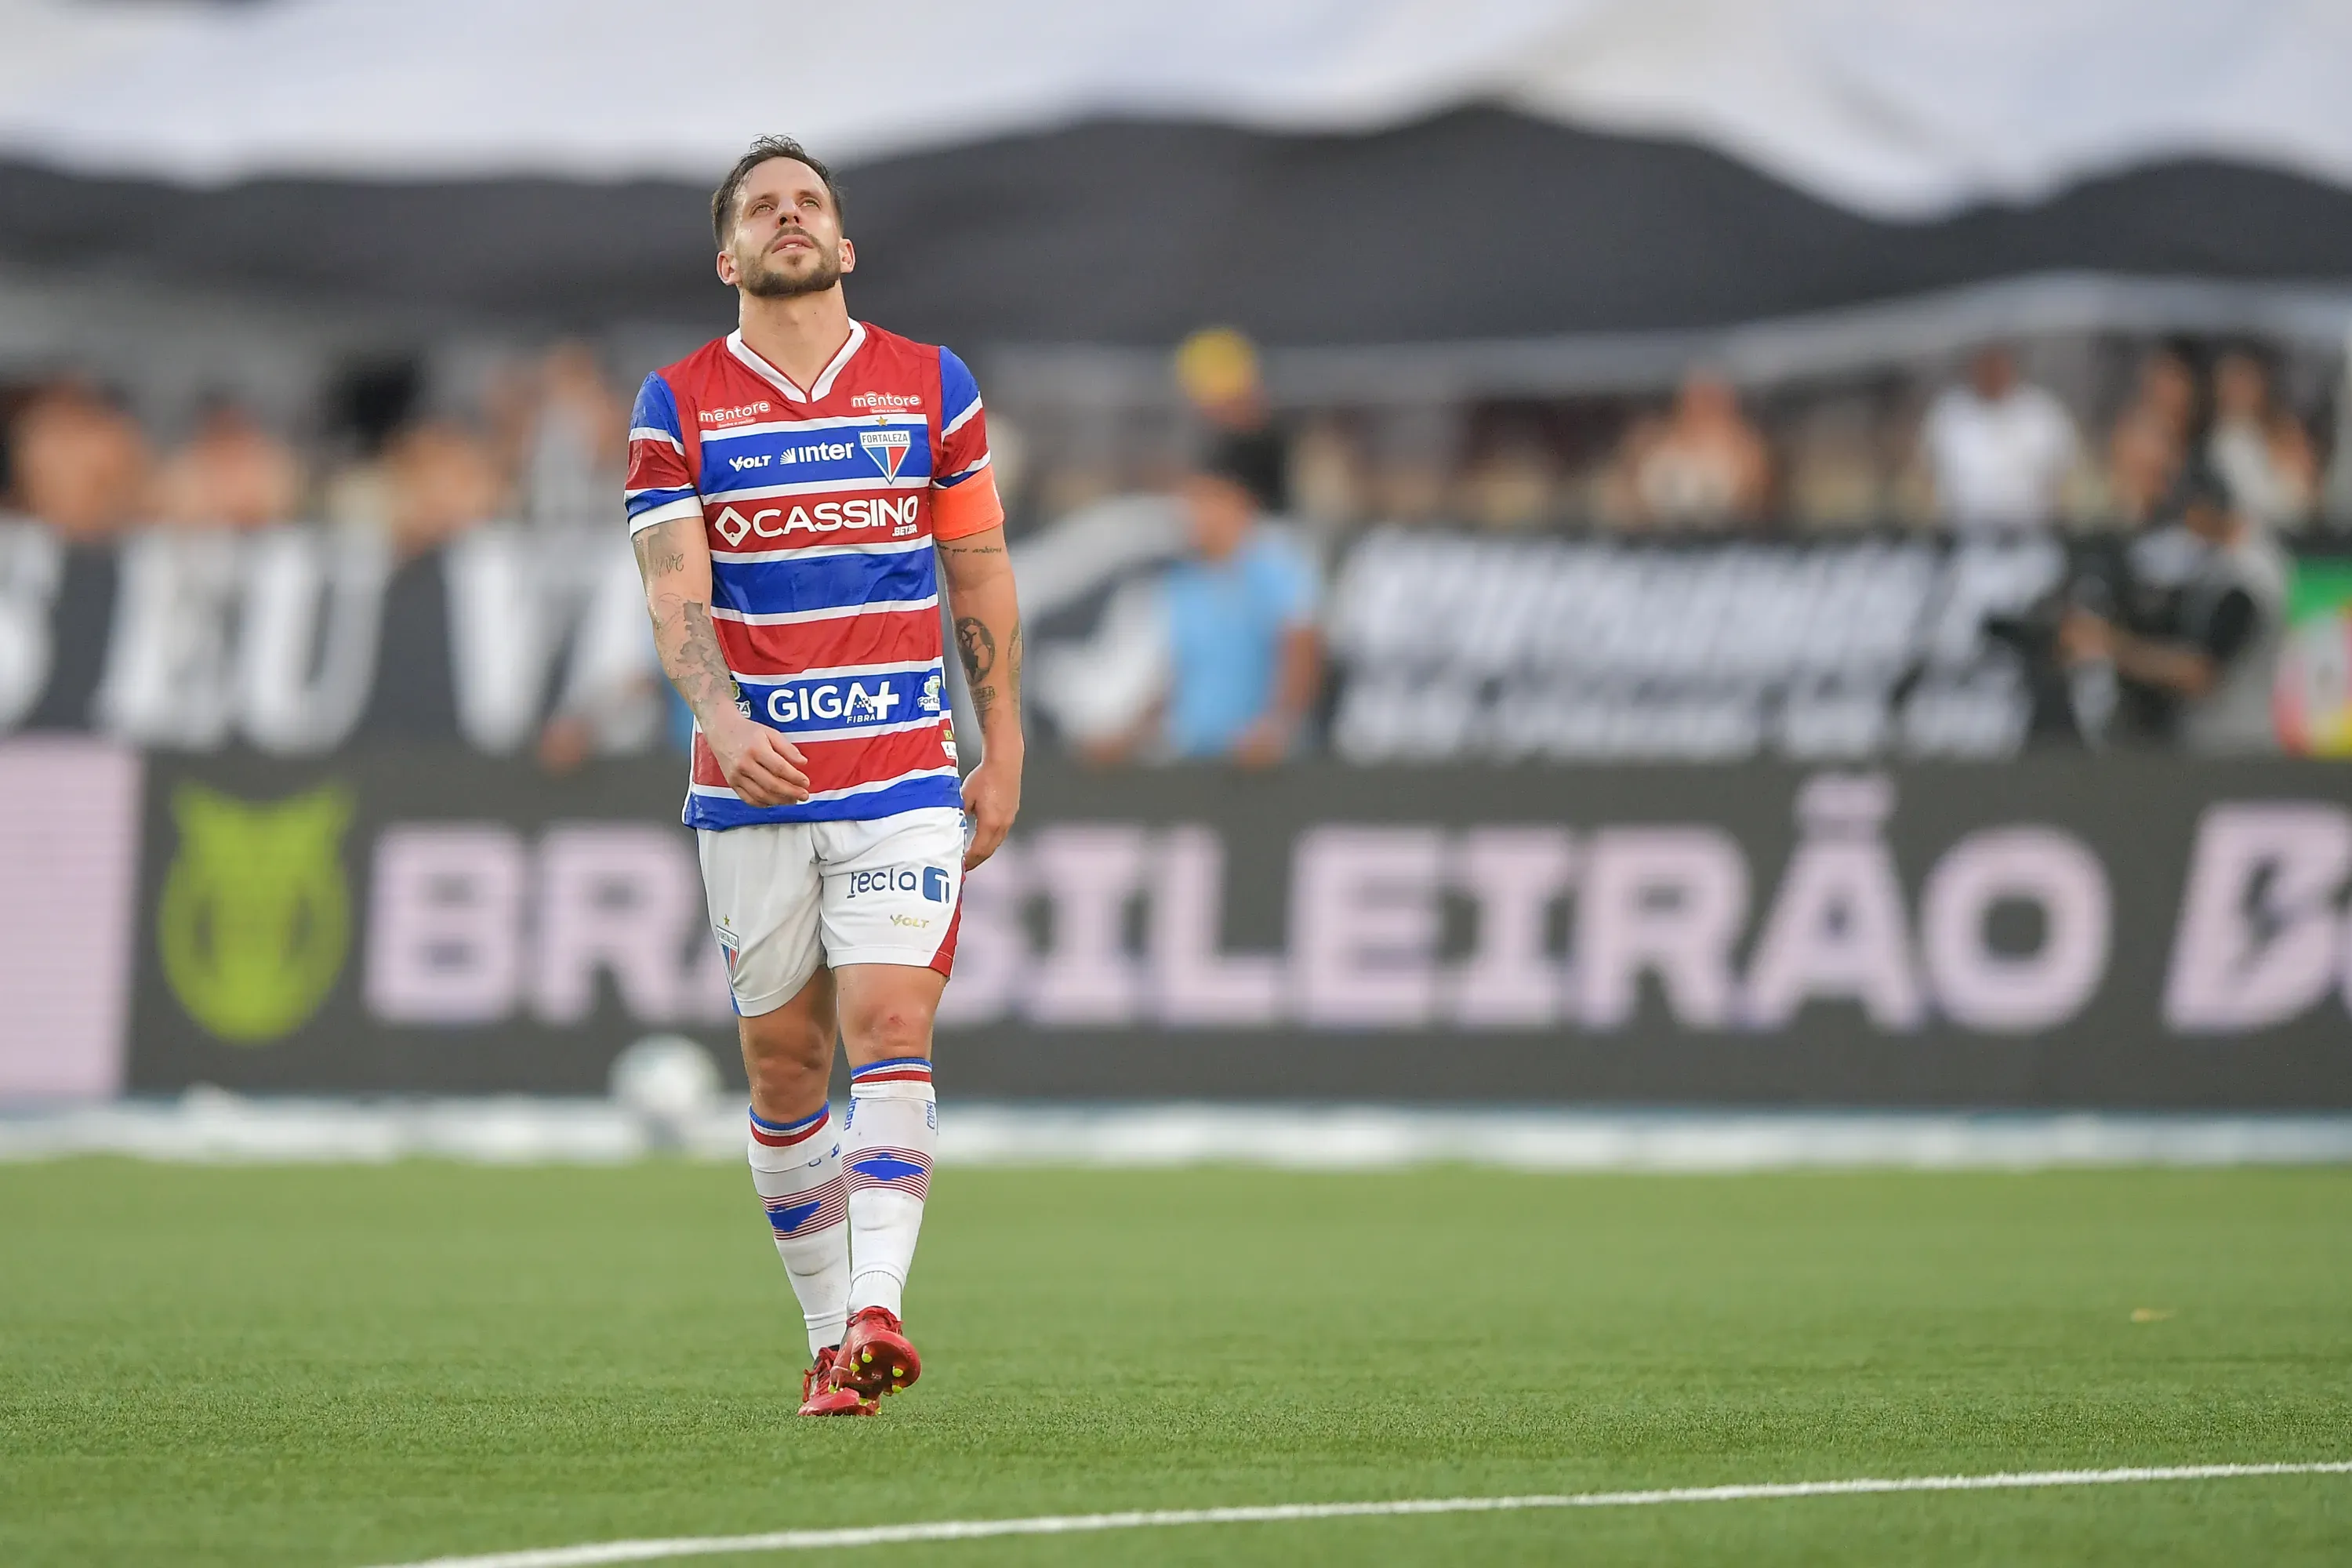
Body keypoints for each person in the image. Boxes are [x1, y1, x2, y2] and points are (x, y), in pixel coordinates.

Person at [625, 136, 1022, 1417]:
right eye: (761, 208)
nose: (787, 219)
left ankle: (878, 1312)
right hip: (756, 785)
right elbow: (673, 587)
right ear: (727, 254)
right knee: (785, 1071)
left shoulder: (929, 382)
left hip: (903, 766)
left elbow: (979, 569)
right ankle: (823, 1340)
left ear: (844, 245)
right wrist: (724, 721)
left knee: (893, 1026)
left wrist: (1003, 739)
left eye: (809, 204)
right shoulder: (676, 401)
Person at [2060, 465, 2287, 753]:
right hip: (2230, 740)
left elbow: (2200, 674)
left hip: (2233, 744)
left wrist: (2113, 646)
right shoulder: (2236, 562)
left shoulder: (2244, 577)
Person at [1921, 345, 2078, 532]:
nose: (1992, 372)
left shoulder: (2042, 411)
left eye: (1998, 364)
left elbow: (2067, 476)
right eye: (1986, 364)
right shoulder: (1948, 413)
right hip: (1964, 534)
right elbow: (1926, 476)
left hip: (2032, 531)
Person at [1606, 370, 1770, 529]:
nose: (1703, 406)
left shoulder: (1747, 453)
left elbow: (1754, 510)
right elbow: (1627, 504)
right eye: (1698, 397)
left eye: (1711, 398)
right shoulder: (1649, 441)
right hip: (1657, 543)